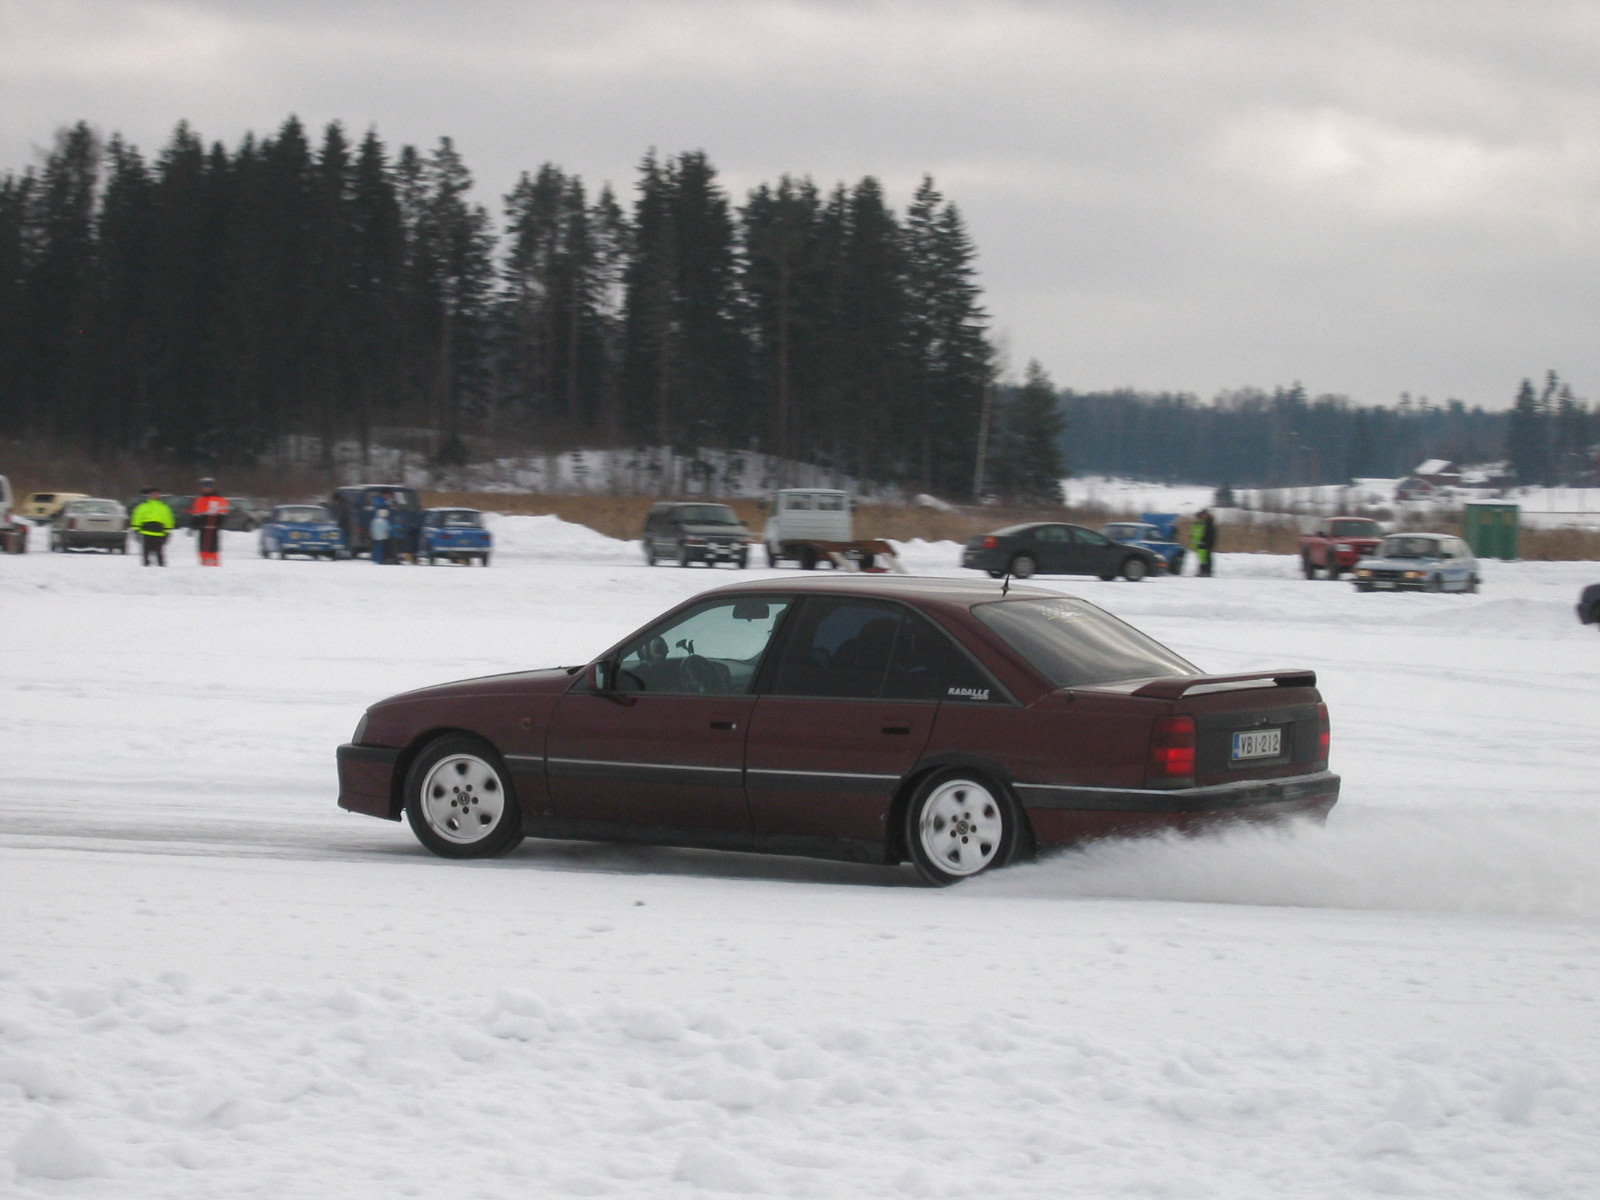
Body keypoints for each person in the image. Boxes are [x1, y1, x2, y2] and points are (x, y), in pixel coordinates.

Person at [129, 487, 175, 566]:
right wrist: (136, 528)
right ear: (149, 495)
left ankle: (161, 565)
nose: (155, 496)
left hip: (159, 532)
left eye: (156, 494)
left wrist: (167, 531)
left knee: (159, 551)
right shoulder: (143, 506)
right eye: (153, 494)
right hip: (146, 532)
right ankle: (146, 565)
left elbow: (168, 519)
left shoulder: (164, 507)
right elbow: (137, 517)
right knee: (146, 550)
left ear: (159, 495)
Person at [191, 477, 231, 566]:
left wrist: (218, 522)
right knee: (202, 547)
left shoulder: (218, 499)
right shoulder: (199, 500)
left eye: (208, 486)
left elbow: (224, 512)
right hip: (203, 528)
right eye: (203, 486)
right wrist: (194, 524)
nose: (206, 488)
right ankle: (204, 563)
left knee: (212, 548)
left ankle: (213, 564)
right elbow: (195, 513)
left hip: (212, 528)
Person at [1192, 508, 1217, 577]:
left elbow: (1210, 534)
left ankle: (1207, 572)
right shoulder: (1202, 522)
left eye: (1203, 515)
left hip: (1207, 543)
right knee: (1202, 558)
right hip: (1201, 543)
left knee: (1207, 558)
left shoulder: (1209, 523)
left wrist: (1205, 541)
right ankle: (1203, 571)